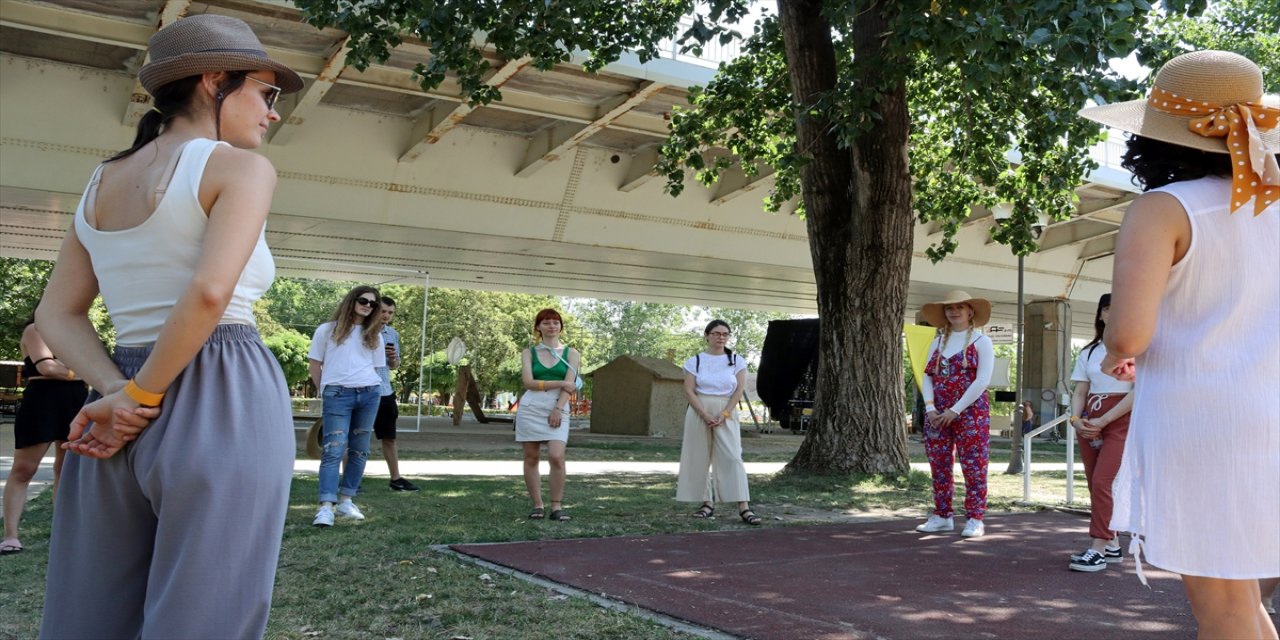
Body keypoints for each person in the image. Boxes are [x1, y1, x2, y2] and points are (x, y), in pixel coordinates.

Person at [32, 14, 301, 638]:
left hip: (113, 403)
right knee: (208, 611)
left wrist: (119, 395)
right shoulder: (239, 169)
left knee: (90, 610)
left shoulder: (101, 181)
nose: (273, 112)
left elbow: (56, 312)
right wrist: (144, 395)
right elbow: (210, 293)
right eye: (267, 92)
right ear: (215, 80)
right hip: (222, 389)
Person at [1080, 50, 1278, 638]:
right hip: (1273, 412)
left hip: (1206, 419)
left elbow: (1128, 335)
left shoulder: (1163, 208)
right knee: (1242, 599)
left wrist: (1119, 351)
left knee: (1223, 608)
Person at [1, 319, 88, 556]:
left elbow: (94, 363)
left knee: (66, 470)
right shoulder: (35, 329)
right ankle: (10, 536)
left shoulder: (78, 329)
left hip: (75, 401)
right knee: (24, 470)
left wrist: (73, 371)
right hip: (42, 402)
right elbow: (47, 368)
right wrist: (79, 371)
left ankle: (63, 533)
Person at [915, 290, 994, 538]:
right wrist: (930, 408)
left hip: (971, 414)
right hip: (937, 414)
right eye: (950, 308)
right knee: (939, 464)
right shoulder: (938, 342)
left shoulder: (982, 342)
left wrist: (955, 409)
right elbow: (927, 376)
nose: (954, 311)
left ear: (970, 312)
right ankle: (942, 515)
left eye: (960, 307)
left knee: (974, 465)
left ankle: (975, 518)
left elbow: (982, 380)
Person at [1065, 293, 1134, 572]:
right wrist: (1076, 419)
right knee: (1095, 484)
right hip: (1089, 421)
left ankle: (1098, 547)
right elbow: (1080, 390)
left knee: (1105, 481)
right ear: (1100, 314)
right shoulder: (1088, 352)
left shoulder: (1136, 349)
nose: (1112, 313)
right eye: (1107, 308)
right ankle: (1113, 541)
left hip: (1121, 420)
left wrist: (1105, 419)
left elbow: (1137, 391)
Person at [309, 285, 387, 526]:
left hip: (369, 393)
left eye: (373, 304)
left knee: (359, 450)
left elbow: (377, 369)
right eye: (364, 300)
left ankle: (346, 500)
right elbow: (314, 364)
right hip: (337, 394)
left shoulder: (374, 334)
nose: (368, 306)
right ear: (352, 300)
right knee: (333, 449)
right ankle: (326, 506)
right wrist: (326, 391)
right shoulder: (327, 330)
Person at [676, 320, 760, 525]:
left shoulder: (736, 361)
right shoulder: (694, 361)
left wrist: (725, 413)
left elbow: (739, 389)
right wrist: (704, 414)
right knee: (699, 456)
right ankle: (707, 503)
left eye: (725, 334)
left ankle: (744, 507)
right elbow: (688, 390)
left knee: (732, 457)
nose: (721, 337)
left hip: (726, 410)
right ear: (707, 335)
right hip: (699, 409)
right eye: (716, 333)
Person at [515, 308, 579, 521]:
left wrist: (558, 408)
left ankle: (557, 506)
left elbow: (570, 387)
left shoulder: (571, 353)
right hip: (532, 406)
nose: (551, 326)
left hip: (558, 406)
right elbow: (529, 382)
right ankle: (537, 505)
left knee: (556, 455)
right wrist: (560, 382)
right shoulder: (529, 353)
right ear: (538, 327)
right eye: (546, 322)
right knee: (531, 456)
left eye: (555, 322)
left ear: (561, 326)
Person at [373, 296, 419, 492]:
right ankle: (351, 481)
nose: (386, 316)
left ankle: (396, 478)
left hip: (385, 391)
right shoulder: (360, 331)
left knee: (389, 437)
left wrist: (392, 359)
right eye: (383, 311)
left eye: (390, 313)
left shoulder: (392, 334)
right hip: (363, 389)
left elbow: (395, 365)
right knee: (355, 436)